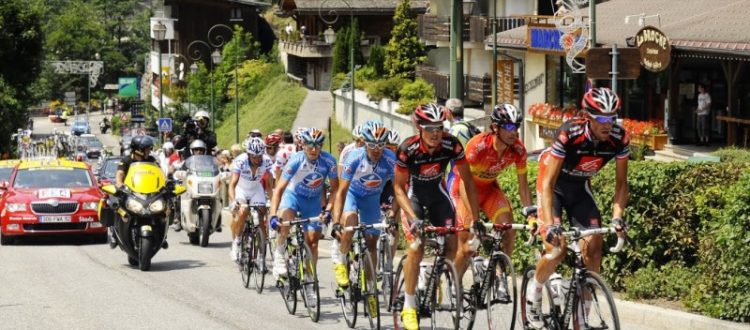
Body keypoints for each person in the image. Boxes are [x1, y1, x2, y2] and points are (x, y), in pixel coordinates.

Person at [526, 87, 629, 329]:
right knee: (557, 249)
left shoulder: (619, 138)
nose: (608, 124)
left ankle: (581, 316)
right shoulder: (569, 134)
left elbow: (622, 184)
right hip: (553, 187)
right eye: (602, 119)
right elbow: (548, 183)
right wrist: (551, 224)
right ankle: (536, 290)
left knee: (594, 248)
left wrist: (617, 218)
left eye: (612, 118)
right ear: (587, 116)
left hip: (580, 188)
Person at [393, 103, 480, 330]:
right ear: (419, 128)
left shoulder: (451, 144)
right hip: (414, 198)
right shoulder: (407, 149)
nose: (435, 133)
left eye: (439, 127)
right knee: (416, 247)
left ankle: (437, 279)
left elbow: (468, 181)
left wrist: (476, 219)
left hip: (438, 195)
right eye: (430, 128)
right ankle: (409, 305)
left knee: (453, 242)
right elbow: (399, 188)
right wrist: (412, 218)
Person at [447, 103, 535, 283]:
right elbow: (466, 182)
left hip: (488, 191)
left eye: (516, 126)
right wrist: (475, 217)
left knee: (508, 230)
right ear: (495, 127)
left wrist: (531, 215)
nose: (514, 132)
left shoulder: (518, 150)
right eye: (509, 127)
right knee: (468, 245)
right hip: (462, 189)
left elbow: (523, 186)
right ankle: (454, 285)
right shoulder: (478, 146)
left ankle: (499, 275)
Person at [269, 128, 338, 282]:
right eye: (310, 146)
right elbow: (279, 189)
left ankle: (310, 279)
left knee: (313, 241)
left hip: (312, 201)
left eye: (318, 146)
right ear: (303, 145)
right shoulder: (295, 160)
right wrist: (273, 215)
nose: (314, 150)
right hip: (293, 196)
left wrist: (327, 211)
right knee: (285, 220)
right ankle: (279, 254)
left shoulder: (329, 161)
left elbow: (335, 190)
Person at [331, 124, 395, 289]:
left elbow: (399, 190)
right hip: (352, 195)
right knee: (350, 223)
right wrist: (337, 221)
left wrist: (393, 213)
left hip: (372, 199)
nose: (376, 150)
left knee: (372, 243)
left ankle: (370, 285)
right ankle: (341, 259)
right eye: (372, 145)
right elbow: (341, 191)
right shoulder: (354, 157)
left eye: (381, 145)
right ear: (364, 143)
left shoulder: (390, 159)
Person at [228, 137, 274, 262]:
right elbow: (232, 184)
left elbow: (270, 185)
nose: (257, 159)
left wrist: (273, 201)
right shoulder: (240, 161)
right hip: (241, 188)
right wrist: (233, 201)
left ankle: (261, 256)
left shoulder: (266, 161)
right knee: (243, 212)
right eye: (254, 156)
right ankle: (237, 242)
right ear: (248, 154)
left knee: (261, 216)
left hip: (256, 189)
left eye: (259, 156)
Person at [113, 135, 160, 248]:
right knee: (117, 207)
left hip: (149, 194)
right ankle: (115, 234)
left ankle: (161, 233)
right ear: (139, 150)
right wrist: (120, 185)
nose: (150, 151)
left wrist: (166, 183)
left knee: (165, 206)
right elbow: (120, 174)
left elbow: (160, 174)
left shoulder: (151, 160)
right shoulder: (126, 160)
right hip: (131, 193)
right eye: (147, 149)